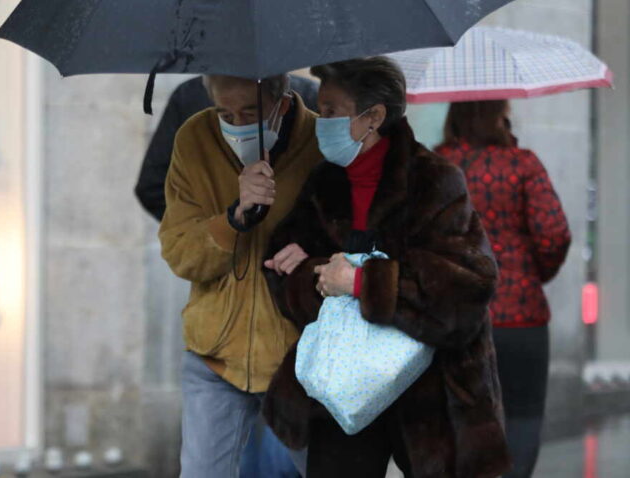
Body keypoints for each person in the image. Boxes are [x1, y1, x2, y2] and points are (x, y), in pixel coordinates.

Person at [262, 57, 509, 478]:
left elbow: (466, 291)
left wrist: (361, 280)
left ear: (372, 117)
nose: (322, 122)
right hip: (346, 380)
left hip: (433, 390)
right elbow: (284, 266)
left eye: (332, 111)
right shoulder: (325, 183)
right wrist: (318, 275)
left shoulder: (435, 180)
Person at [159, 73, 322, 478]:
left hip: (302, 356)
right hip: (216, 354)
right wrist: (232, 219)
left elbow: (360, 236)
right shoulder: (193, 139)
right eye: (224, 112)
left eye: (249, 111)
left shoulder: (323, 140)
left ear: (281, 104)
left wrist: (314, 252)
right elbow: (179, 252)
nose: (235, 122)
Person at [436, 100, 570, 478]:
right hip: (521, 317)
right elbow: (554, 233)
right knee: (523, 418)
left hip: (457, 319)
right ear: (499, 114)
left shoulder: (438, 165)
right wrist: (530, 274)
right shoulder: (523, 163)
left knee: (460, 423)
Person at [135, 75, 318, 221]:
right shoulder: (189, 99)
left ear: (282, 106)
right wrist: (225, 225)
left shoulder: (311, 100)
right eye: (227, 117)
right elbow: (154, 187)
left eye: (251, 115)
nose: (239, 125)